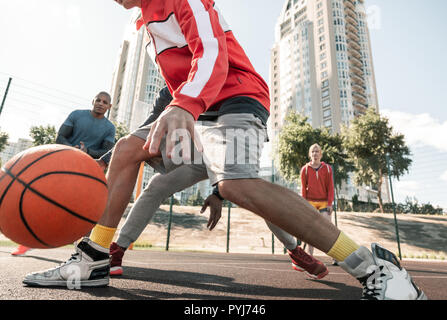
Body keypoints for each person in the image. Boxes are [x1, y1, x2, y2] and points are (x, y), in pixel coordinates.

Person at [23, 0, 426, 300]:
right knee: (129, 149)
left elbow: (212, 53)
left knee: (236, 184)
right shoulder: (143, 21)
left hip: (236, 98)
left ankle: (373, 268)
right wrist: (145, 133)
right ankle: (94, 257)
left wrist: (184, 106)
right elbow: (172, 86)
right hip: (194, 109)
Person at [100, 87, 327, 279]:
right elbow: (148, 126)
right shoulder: (170, 87)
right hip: (197, 148)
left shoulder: (221, 74)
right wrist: (106, 160)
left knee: (256, 195)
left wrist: (218, 192)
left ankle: (294, 251)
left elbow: (232, 135)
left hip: (228, 144)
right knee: (156, 187)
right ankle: (117, 249)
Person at [11, 91, 116, 256]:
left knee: (86, 211)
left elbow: (106, 152)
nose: (100, 103)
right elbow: (60, 136)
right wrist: (72, 149)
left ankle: (81, 250)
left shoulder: (110, 128)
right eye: (98, 100)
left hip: (87, 171)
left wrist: (86, 151)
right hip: (63, 165)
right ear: (92, 101)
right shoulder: (77, 115)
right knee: (41, 202)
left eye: (104, 102)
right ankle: (27, 240)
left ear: (109, 106)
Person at [300, 144, 334, 257]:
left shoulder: (328, 169)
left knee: (328, 229)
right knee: (311, 230)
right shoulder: (304, 170)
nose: (315, 153)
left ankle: (335, 256)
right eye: (313, 152)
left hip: (324, 202)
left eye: (317, 151)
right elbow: (303, 189)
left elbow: (330, 187)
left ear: (320, 154)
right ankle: (310, 256)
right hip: (310, 202)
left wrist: (330, 203)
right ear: (310, 154)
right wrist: (304, 205)